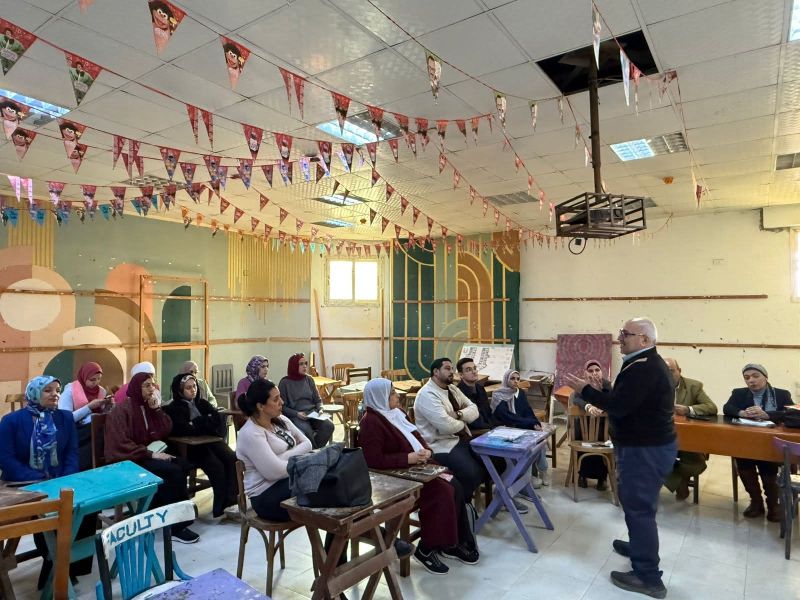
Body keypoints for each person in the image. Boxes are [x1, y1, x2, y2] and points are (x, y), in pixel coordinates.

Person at [566, 318, 675, 599]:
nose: (620, 338)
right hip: (645, 447)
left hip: (645, 450)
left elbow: (618, 406)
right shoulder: (641, 363)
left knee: (640, 509)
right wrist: (597, 388)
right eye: (620, 332)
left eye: (626, 334)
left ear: (644, 339)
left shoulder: (644, 367)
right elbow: (626, 399)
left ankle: (648, 577)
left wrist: (585, 390)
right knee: (636, 504)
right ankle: (639, 547)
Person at [358, 378, 479, 575]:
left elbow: (416, 435)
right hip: (397, 475)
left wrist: (427, 451)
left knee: (455, 485)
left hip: (417, 465)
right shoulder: (371, 422)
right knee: (442, 492)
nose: (397, 396)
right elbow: (373, 460)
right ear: (380, 397)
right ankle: (426, 548)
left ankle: (449, 543)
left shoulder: (396, 413)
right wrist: (408, 458)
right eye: (392, 393)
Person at [0, 376, 95, 580]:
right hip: (24, 482)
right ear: (34, 393)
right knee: (49, 510)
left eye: (58, 390)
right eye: (48, 390)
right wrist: (39, 479)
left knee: (87, 507)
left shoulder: (65, 418)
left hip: (60, 479)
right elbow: (6, 459)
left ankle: (74, 565)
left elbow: (72, 453)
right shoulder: (11, 421)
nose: (55, 394)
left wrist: (64, 478)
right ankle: (53, 562)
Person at [104, 372, 200, 544]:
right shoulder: (121, 410)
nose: (152, 389)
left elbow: (165, 430)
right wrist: (151, 454)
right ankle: (177, 527)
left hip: (145, 455)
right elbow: (119, 444)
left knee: (184, 464)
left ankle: (162, 510)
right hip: (129, 460)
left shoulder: (148, 407)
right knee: (173, 472)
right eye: (147, 385)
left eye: (153, 385)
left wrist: (157, 410)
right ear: (136, 388)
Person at [235, 379, 313, 521]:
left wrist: (279, 458)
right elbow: (274, 473)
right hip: (266, 496)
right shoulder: (250, 433)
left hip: (286, 481)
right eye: (276, 399)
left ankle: (336, 533)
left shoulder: (281, 419)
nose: (282, 402)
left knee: (326, 483)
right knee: (320, 488)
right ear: (260, 406)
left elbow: (308, 444)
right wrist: (299, 459)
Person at [723, 363, 792, 521]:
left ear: (765, 377)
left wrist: (768, 415)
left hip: (772, 443)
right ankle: (756, 501)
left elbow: (791, 414)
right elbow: (727, 408)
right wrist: (742, 413)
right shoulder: (739, 393)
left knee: (767, 464)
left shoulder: (781, 394)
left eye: (755, 376)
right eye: (747, 378)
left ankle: (773, 504)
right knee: (742, 460)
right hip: (747, 442)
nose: (751, 380)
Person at [164, 373, 237, 518]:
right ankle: (220, 507)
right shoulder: (174, 408)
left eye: (194, 386)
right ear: (180, 391)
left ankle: (231, 501)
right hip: (192, 447)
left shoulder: (202, 403)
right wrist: (204, 422)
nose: (193, 390)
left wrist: (196, 423)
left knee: (232, 458)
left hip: (210, 440)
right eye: (188, 388)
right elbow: (182, 429)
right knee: (216, 466)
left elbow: (216, 419)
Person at [413, 358, 485, 500]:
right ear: (436, 372)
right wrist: (464, 421)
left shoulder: (452, 388)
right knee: (472, 473)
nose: (451, 372)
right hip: (440, 446)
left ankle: (463, 501)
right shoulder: (427, 394)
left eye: (452, 368)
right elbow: (447, 427)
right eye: (447, 368)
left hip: (460, 438)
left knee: (492, 462)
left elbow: (474, 409)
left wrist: (459, 414)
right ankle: (459, 504)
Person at [663, 358, 717, 500]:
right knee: (651, 455)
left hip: (687, 438)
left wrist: (688, 409)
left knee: (695, 460)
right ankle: (680, 481)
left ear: (679, 371)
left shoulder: (693, 386)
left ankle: (680, 479)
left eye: (671, 371)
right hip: (661, 436)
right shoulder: (653, 385)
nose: (667, 374)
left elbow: (711, 407)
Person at [491, 369, 550, 486]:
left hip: (521, 425)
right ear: (506, 379)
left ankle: (543, 470)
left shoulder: (520, 393)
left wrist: (535, 423)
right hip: (507, 429)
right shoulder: (498, 395)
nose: (516, 381)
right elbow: (507, 417)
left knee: (540, 440)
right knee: (529, 445)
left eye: (518, 379)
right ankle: (526, 477)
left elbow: (527, 410)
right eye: (512, 378)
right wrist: (529, 422)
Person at [58, 361, 112, 470]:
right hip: (75, 430)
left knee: (108, 428)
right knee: (100, 433)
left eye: (99, 379)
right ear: (84, 377)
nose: (96, 382)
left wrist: (107, 406)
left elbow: (100, 413)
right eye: (92, 379)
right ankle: (83, 467)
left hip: (94, 428)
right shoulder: (70, 391)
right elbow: (65, 419)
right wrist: (89, 407)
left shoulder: (101, 391)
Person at [569, 359, 611, 491]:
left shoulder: (607, 384)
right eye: (590, 370)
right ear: (585, 373)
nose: (594, 373)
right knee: (584, 435)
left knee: (602, 437)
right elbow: (576, 399)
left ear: (602, 372)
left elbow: (612, 401)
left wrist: (602, 398)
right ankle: (582, 475)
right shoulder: (582, 385)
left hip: (603, 426)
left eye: (597, 370)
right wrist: (588, 406)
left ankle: (602, 477)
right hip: (584, 426)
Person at [278, 353, 334, 449]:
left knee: (329, 425)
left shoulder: (309, 379)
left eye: (305, 363)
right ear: (293, 366)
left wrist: (320, 409)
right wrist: (297, 414)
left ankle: (315, 451)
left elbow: (318, 399)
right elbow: (282, 407)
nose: (304, 366)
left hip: (312, 413)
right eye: (301, 364)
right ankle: (316, 452)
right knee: (306, 431)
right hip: (296, 415)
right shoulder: (285, 383)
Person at [455, 357, 491, 428]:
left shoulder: (480, 388)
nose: (474, 372)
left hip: (488, 427)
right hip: (474, 430)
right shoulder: (458, 392)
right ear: (461, 375)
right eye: (469, 370)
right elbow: (470, 420)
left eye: (474, 368)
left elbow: (488, 411)